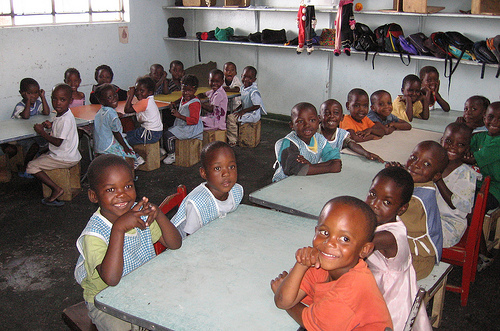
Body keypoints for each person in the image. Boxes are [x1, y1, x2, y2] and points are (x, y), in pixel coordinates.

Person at [74, 154, 182, 331]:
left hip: (140, 287)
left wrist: (159, 214)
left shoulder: (139, 216)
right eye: (111, 189)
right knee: (120, 328)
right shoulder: (94, 235)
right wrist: (118, 229)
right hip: (104, 300)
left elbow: (175, 243)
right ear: (94, 196)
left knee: (175, 308)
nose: (122, 194)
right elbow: (111, 279)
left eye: (128, 186)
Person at [270, 196, 393, 331]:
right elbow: (283, 300)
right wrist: (301, 265)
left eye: (345, 239)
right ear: (315, 231)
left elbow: (311, 323)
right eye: (325, 232)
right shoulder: (322, 263)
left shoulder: (351, 289)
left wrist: (285, 296)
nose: (329, 243)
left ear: (364, 250)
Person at [365, 167, 432, 331]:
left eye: (386, 202)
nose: (374, 204)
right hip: (384, 287)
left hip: (389, 301)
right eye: (372, 194)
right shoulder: (386, 221)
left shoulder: (387, 237)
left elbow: (353, 247)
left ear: (402, 208)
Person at [389, 141, 448, 280]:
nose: (416, 164)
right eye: (414, 157)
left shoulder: (416, 202)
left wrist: (391, 179)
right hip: (411, 251)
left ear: (436, 176)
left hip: (418, 260)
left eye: (426, 164)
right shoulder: (420, 183)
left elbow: (386, 214)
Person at [170, 141, 243, 237]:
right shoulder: (197, 204)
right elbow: (191, 241)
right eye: (217, 168)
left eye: (231, 167)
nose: (226, 174)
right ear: (204, 173)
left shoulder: (236, 191)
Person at [26, 84, 81, 206]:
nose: (57, 103)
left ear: (70, 101)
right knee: (42, 155)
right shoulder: (63, 114)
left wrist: (41, 132)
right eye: (54, 99)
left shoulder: (65, 119)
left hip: (64, 157)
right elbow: (59, 125)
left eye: (62, 100)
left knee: (31, 166)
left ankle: (56, 189)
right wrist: (51, 124)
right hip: (71, 154)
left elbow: (57, 142)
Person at [466, 101, 500, 270]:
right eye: (491, 117)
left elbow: (471, 158)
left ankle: (483, 253)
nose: (495, 122)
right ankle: (470, 243)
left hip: (495, 189)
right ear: (484, 117)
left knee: (471, 211)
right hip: (478, 184)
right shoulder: (480, 135)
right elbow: (466, 145)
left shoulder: (498, 142)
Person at [273, 102, 341, 182]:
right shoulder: (290, 142)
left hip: (306, 181)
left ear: (318, 120)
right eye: (300, 121)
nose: (307, 125)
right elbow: (294, 168)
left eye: (312, 120)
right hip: (285, 183)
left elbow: (335, 160)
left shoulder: (320, 140)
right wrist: (329, 167)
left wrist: (310, 166)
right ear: (292, 125)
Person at [437, 123, 478, 248]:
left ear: (467, 149)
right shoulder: (433, 164)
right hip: (428, 217)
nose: (453, 147)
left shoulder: (466, 174)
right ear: (441, 141)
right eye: (449, 141)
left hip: (449, 226)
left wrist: (438, 180)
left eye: (460, 145)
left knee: (412, 232)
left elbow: (455, 204)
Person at [93, 84, 143, 170]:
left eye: (115, 95)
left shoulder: (100, 112)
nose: (114, 98)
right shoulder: (112, 115)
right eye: (109, 97)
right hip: (108, 147)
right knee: (129, 152)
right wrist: (125, 147)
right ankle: (130, 168)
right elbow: (117, 134)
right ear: (101, 100)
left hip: (98, 147)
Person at [319, 99, 383, 162]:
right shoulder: (313, 134)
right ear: (319, 117)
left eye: (336, 113)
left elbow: (352, 144)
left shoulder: (341, 134)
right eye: (327, 113)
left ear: (342, 117)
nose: (331, 116)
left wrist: (366, 153)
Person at [11, 77, 50, 178]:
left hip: (34, 134)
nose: (34, 96)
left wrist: (42, 97)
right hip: (22, 136)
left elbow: (46, 112)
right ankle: (25, 167)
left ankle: (36, 163)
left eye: (36, 92)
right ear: (22, 93)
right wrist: (28, 101)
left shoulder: (38, 103)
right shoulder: (19, 106)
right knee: (34, 146)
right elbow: (26, 116)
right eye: (30, 93)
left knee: (48, 143)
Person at [163, 74, 203, 165]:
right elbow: (181, 98)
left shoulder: (194, 103)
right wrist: (174, 102)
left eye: (189, 91)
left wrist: (179, 115)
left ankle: (172, 154)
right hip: (183, 125)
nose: (186, 93)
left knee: (168, 136)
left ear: (195, 90)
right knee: (166, 130)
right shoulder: (185, 97)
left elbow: (194, 120)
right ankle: (168, 150)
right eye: (183, 90)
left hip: (190, 129)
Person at [226, 66, 267, 147]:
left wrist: (243, 111)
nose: (246, 79)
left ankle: (233, 140)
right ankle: (237, 135)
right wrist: (238, 109)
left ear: (254, 80)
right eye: (244, 76)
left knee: (230, 118)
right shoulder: (243, 88)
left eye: (250, 78)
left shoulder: (253, 92)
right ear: (241, 76)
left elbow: (256, 106)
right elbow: (244, 102)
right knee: (233, 115)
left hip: (252, 114)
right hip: (246, 111)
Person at [124, 76, 163, 146]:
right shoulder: (149, 100)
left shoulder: (144, 102)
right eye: (136, 90)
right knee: (129, 134)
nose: (138, 93)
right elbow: (133, 107)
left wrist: (130, 96)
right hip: (156, 132)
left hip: (150, 133)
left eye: (142, 91)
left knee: (126, 141)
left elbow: (127, 110)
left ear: (150, 92)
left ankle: (136, 156)